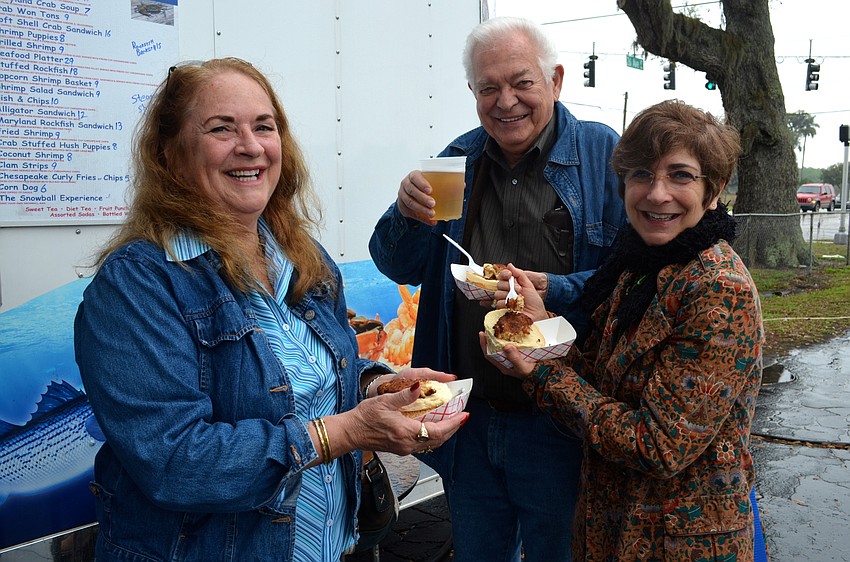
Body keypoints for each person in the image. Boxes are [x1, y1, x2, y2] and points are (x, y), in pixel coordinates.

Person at [73, 57, 466, 562]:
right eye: (222, 128)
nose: (252, 146)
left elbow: (318, 374)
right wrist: (348, 431)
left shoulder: (299, 255)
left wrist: (379, 385)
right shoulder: (137, 284)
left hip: (333, 546)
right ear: (169, 154)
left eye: (265, 126)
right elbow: (174, 460)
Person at [369, 16, 628, 562]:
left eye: (522, 82)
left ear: (555, 81)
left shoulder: (604, 156)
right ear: (473, 93)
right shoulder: (456, 160)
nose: (505, 101)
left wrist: (554, 290)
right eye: (488, 88)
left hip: (558, 419)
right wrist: (406, 216)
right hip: (471, 415)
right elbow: (399, 264)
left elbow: (630, 276)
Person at [488, 99, 764, 561]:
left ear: (712, 190)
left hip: (678, 540)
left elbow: (658, 446)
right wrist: (540, 328)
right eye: (641, 175)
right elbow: (599, 379)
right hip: (613, 528)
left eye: (679, 175)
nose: (657, 194)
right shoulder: (639, 266)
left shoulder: (717, 287)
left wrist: (540, 373)